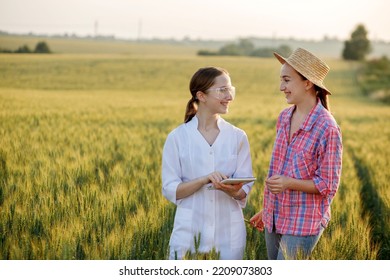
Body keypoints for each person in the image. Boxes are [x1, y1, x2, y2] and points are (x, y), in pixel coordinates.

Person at [250, 48, 343, 260]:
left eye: (286, 80)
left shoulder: (327, 127)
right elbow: (281, 169)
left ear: (307, 83)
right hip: (276, 217)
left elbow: (328, 185)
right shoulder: (284, 118)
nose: (281, 87)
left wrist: (289, 183)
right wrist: (268, 211)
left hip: (304, 221)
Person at [162, 66, 254, 260]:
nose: (229, 96)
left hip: (229, 234)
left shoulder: (237, 136)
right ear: (201, 96)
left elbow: (243, 191)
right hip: (189, 235)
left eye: (230, 90)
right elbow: (171, 189)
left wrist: (233, 190)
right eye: (222, 90)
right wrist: (204, 180)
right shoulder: (177, 137)